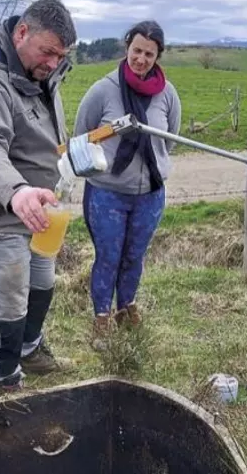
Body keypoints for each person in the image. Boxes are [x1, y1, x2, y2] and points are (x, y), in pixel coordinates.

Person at [0, 0, 77, 395]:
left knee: (41, 286)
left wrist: (75, 157)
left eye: (61, 55)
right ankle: (4, 382)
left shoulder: (42, 73)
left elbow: (45, 137)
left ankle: (30, 348)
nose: (54, 63)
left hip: (39, 210)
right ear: (21, 33)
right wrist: (17, 190)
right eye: (48, 52)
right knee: (4, 309)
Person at [73, 20, 181, 350]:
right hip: (107, 192)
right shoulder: (103, 90)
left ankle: (126, 306)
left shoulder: (167, 94)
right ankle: (101, 318)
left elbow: (169, 139)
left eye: (149, 53)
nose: (141, 59)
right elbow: (83, 134)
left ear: (158, 56)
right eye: (137, 50)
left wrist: (149, 168)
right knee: (108, 255)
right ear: (127, 48)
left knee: (134, 255)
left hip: (150, 193)